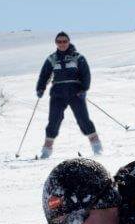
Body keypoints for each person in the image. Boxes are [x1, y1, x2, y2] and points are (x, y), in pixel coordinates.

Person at [35, 31, 101, 159]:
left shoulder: (77, 57)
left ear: (68, 42)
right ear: (56, 43)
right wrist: (40, 88)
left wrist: (84, 89)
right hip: (57, 92)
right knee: (54, 120)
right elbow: (44, 74)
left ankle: (96, 146)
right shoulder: (52, 58)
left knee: (83, 119)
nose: (62, 44)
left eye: (64, 41)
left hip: (75, 92)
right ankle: (46, 150)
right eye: (59, 41)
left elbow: (85, 74)